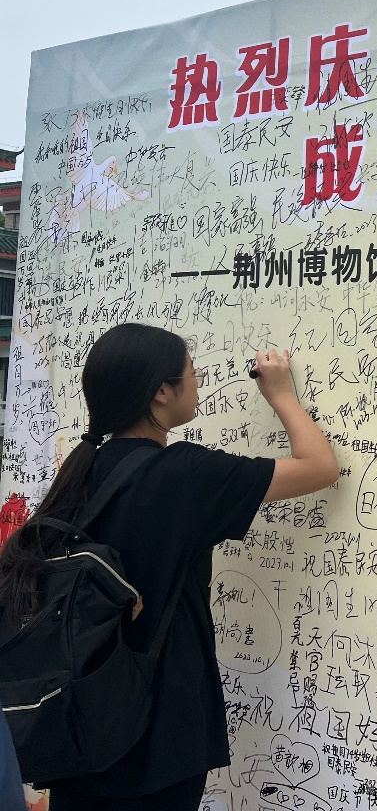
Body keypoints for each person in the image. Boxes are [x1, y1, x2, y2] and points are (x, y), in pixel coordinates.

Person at [0, 323, 340, 810]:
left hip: (76, 720)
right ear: (161, 391)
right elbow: (320, 466)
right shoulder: (182, 473)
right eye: (191, 372)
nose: (199, 382)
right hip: (158, 734)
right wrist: (282, 394)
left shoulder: (77, 473)